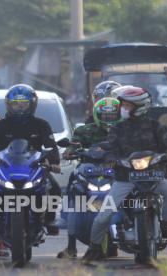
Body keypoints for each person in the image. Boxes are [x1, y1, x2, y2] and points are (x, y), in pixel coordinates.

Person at [83, 86, 167, 262]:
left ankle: (166, 226)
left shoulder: (155, 126)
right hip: (125, 177)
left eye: (127, 105)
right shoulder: (117, 128)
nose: (122, 108)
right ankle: (95, 248)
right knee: (102, 217)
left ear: (141, 107)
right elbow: (110, 147)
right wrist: (107, 157)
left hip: (153, 175)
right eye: (122, 105)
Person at [0, 84, 61, 262]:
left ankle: (50, 220)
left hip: (33, 168)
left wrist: (53, 162)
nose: (20, 106)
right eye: (16, 103)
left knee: (54, 187)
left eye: (24, 103)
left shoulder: (41, 125)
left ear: (32, 104)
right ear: (9, 105)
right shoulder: (0, 125)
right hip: (6, 169)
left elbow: (51, 146)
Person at [57, 97, 121, 259]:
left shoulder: (124, 130)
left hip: (116, 170)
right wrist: (69, 152)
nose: (108, 119)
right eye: (105, 115)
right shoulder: (84, 130)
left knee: (134, 195)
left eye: (112, 115)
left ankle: (134, 228)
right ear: (97, 115)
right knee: (74, 196)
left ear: (119, 115)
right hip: (87, 169)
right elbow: (73, 146)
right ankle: (71, 247)